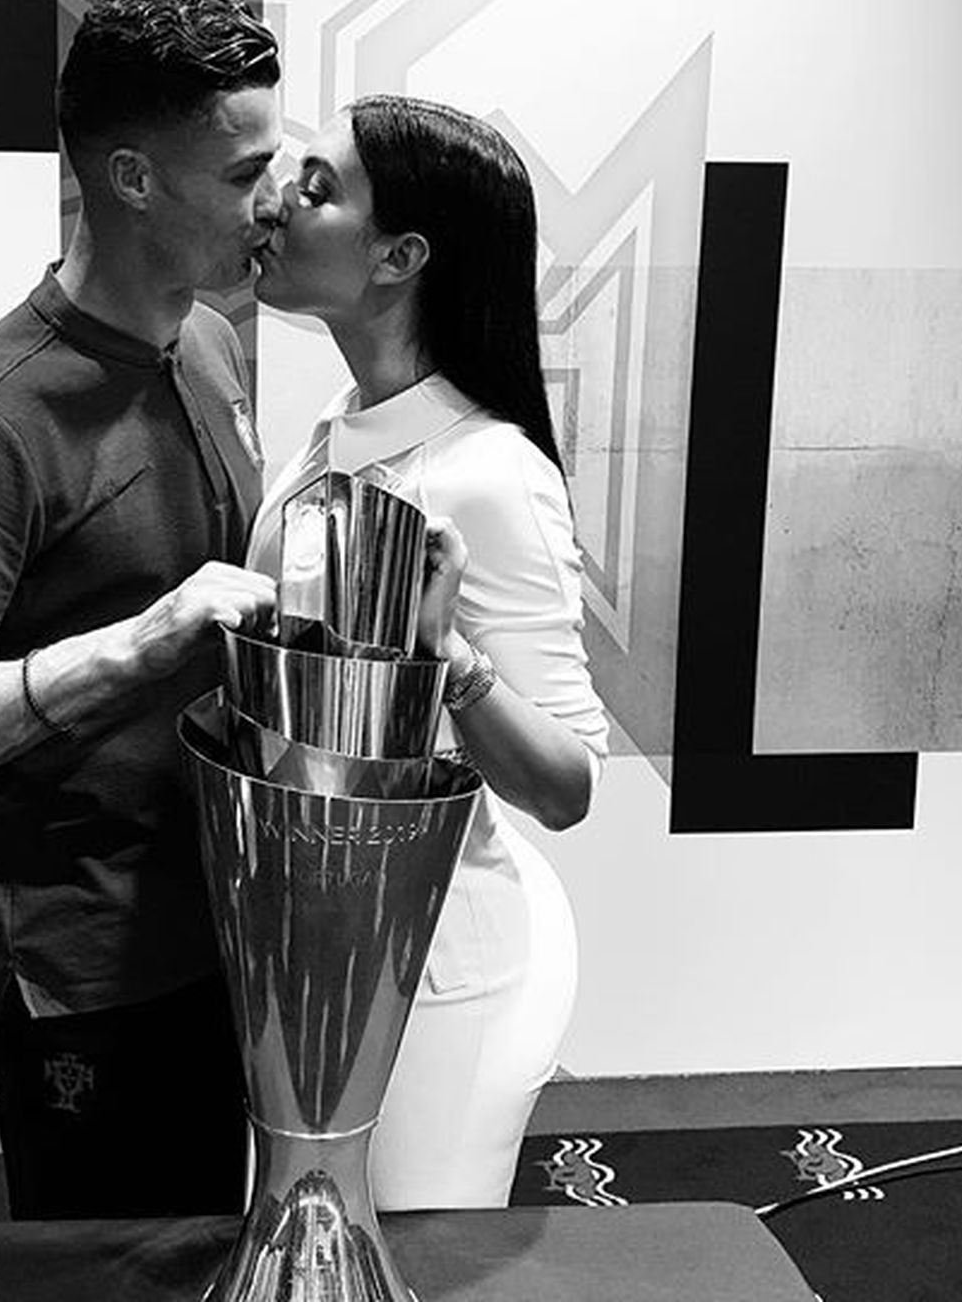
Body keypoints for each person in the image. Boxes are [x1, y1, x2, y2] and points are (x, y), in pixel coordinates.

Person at [0, 0, 284, 1219]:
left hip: (221, 924)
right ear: (132, 178)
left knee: (211, 1251)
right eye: (245, 173)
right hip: (80, 973)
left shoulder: (208, 341)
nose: (275, 200)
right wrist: (133, 648)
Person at [250, 94, 610, 1209]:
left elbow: (566, 785)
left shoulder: (489, 473)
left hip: (437, 975)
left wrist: (446, 659)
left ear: (400, 256)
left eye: (318, 190)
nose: (277, 200)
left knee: (409, 1253)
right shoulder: (331, 435)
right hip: (311, 948)